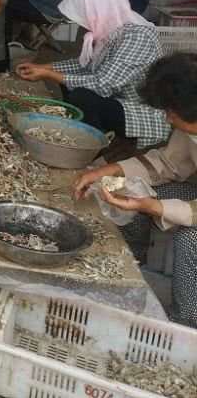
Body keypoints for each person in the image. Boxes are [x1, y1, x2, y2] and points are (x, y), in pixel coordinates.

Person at [71, 53, 197, 328]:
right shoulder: (189, 127)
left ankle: (186, 321)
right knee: (134, 192)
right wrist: (107, 171)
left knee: (191, 239)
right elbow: (169, 163)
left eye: (172, 113)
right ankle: (126, 271)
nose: (168, 118)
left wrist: (152, 206)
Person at [16, 0, 170, 148]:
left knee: (81, 97)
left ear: (97, 11)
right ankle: (83, 130)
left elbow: (103, 84)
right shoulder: (112, 28)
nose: (83, 24)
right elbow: (85, 64)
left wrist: (48, 74)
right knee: (71, 83)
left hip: (141, 112)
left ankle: (96, 145)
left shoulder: (137, 37)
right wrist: (43, 68)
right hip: (117, 98)